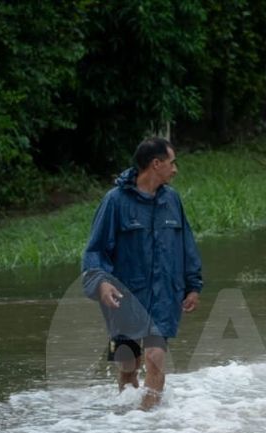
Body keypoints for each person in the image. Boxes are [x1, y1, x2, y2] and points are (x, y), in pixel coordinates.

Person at [81, 137, 203, 410]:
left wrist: (193, 285)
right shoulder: (114, 202)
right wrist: (101, 284)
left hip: (164, 294)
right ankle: (128, 425)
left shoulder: (172, 200)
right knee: (128, 364)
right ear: (156, 164)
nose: (175, 170)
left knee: (155, 357)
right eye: (172, 163)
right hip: (124, 296)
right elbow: (95, 250)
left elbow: (187, 245)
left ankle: (147, 428)